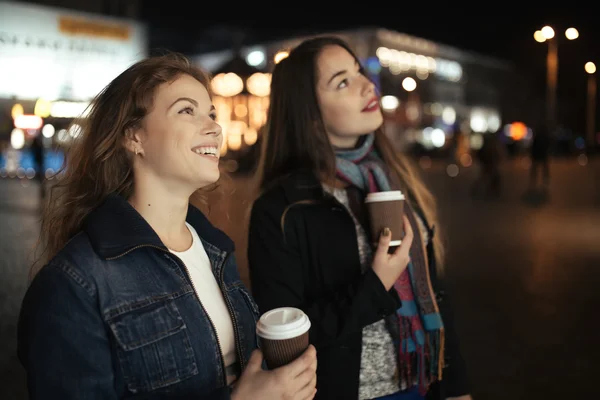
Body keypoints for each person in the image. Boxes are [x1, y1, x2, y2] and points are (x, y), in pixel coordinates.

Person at [17, 52, 317, 400]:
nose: (214, 127)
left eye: (211, 114)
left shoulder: (215, 250)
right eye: (187, 111)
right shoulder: (74, 284)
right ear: (134, 137)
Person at [247, 36, 471, 400]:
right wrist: (376, 284)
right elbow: (284, 337)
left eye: (359, 72)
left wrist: (456, 387)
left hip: (422, 385)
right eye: (343, 82)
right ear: (311, 114)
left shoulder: (395, 178)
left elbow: (436, 291)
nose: (368, 84)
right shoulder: (282, 209)